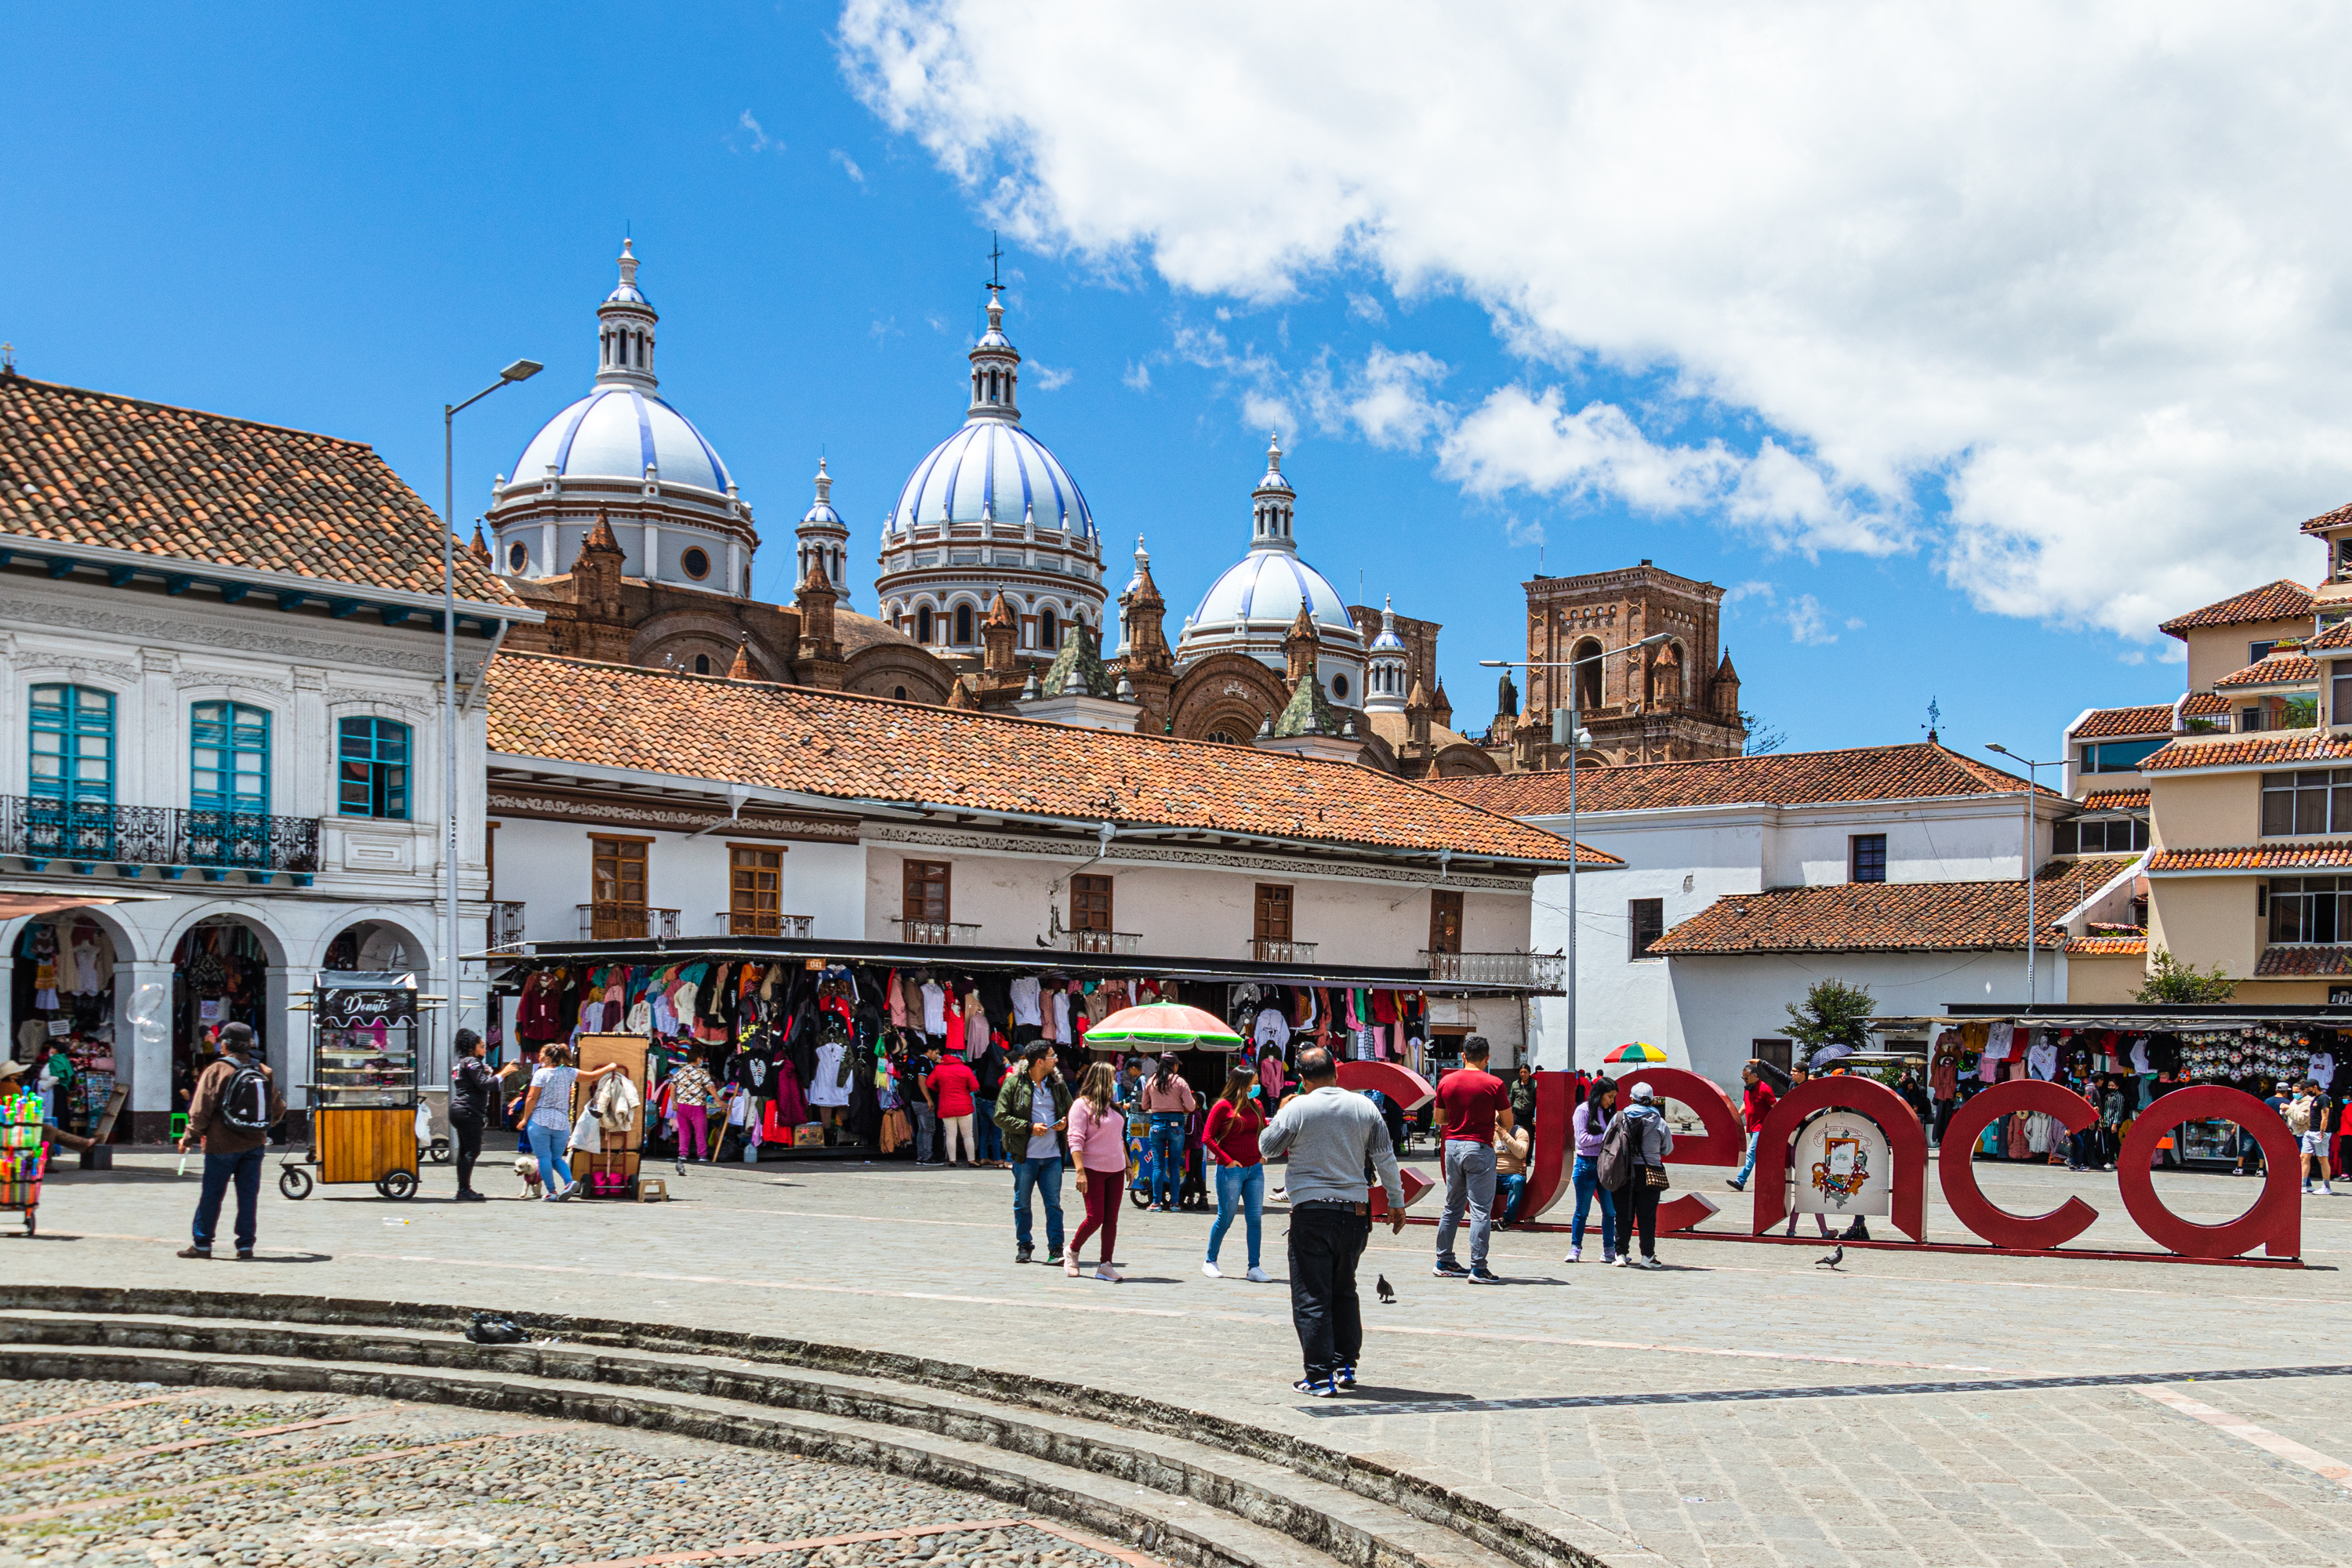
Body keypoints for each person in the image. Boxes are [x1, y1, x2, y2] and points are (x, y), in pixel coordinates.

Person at [1259, 1046, 1403, 1397]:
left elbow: (1268, 1147)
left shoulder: (1298, 1108)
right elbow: (1385, 1158)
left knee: (1312, 1295)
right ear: (1336, 1074)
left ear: (1303, 1079)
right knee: (1343, 1290)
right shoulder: (1365, 1107)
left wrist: (1282, 1112)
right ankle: (1346, 1365)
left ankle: (1319, 1377)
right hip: (1355, 1214)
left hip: (1313, 1213)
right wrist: (1397, 1203)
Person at [176, 1022, 284, 1259]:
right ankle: (245, 1246)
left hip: (221, 1145)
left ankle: (202, 1244)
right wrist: (262, 1127)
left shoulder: (216, 1070)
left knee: (212, 1195)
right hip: (254, 1145)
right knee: (248, 1197)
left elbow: (200, 1110)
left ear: (225, 1045)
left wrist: (188, 1138)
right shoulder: (263, 1070)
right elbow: (277, 1109)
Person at [1432, 1036, 1511, 1283]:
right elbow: (1507, 1123)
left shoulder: (1446, 1082)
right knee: (1480, 1210)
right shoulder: (1495, 1084)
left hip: (1453, 1146)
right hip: (1479, 1147)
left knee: (1452, 1206)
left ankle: (1444, 1261)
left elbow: (1439, 1119)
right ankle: (1478, 1268)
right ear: (1487, 1058)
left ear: (1463, 1056)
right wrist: (1492, 1119)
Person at [993, 1041, 1070, 1265]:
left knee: (1053, 1204)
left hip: (1053, 1156)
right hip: (1025, 1157)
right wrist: (1029, 1127)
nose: (1055, 1060)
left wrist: (1064, 1122)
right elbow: (1000, 1116)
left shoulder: (1057, 1084)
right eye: (1052, 1056)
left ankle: (1056, 1249)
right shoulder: (1015, 1083)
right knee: (1022, 1203)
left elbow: (1070, 1110)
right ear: (1039, 1061)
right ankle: (1024, 1246)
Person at [517, 1044, 622, 1203]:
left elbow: (531, 1097)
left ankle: (551, 1191)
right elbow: (593, 1076)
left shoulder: (541, 1074)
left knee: (544, 1157)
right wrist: (610, 1067)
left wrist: (525, 1119)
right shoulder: (569, 1073)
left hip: (540, 1120)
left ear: (547, 1057)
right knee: (557, 1158)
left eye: (540, 1054)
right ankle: (569, 1182)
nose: (538, 1057)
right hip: (561, 1122)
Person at [1203, 1062, 1270, 1281]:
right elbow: (1207, 1137)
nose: (1257, 1087)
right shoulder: (1223, 1106)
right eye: (1254, 1083)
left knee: (1255, 1219)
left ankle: (1254, 1267)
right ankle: (1210, 1260)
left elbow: (1263, 1132)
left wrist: (1263, 1154)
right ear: (1241, 1084)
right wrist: (1227, 1160)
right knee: (1226, 1218)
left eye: (1257, 1083)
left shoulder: (1257, 1104)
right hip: (1231, 1171)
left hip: (1255, 1170)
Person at [1065, 1062, 1127, 1282]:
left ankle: (1105, 1264)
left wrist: (1127, 1164)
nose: (1115, 1082)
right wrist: (1079, 1170)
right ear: (1102, 1080)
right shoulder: (1081, 1106)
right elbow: (1075, 1138)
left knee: (1111, 1219)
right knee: (1095, 1218)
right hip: (1092, 1168)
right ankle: (1072, 1251)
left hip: (1116, 1169)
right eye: (1112, 1078)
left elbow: (1119, 1138)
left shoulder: (1113, 1107)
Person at [1607, 1081, 1674, 1268]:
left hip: (1623, 1172)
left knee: (1622, 1214)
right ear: (1652, 1101)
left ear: (1631, 1099)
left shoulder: (1618, 1118)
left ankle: (1620, 1254)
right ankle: (1647, 1256)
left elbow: (1608, 1142)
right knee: (1647, 1216)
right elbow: (1667, 1149)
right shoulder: (1659, 1122)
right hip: (1650, 1173)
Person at [1566, 1076, 1617, 1263]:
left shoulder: (1608, 1112)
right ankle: (1575, 1248)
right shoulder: (1583, 1110)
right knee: (1582, 1210)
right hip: (1586, 1164)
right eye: (1609, 1096)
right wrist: (1606, 1137)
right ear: (1600, 1094)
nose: (1611, 1101)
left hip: (1606, 1165)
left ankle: (1609, 1250)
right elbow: (1582, 1140)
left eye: (1613, 1098)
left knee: (1610, 1211)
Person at [1139, 1052, 1197, 1211]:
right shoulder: (1179, 1082)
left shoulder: (1151, 1081)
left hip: (1156, 1125)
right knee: (1174, 1166)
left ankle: (1156, 1203)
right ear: (1174, 1066)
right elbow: (1191, 1107)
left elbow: (1144, 1106)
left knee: (1158, 1166)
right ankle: (1174, 1203)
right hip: (1175, 1126)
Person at [1780, 1061, 1831, 1239]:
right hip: (1803, 1153)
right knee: (1809, 1195)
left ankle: (1794, 1230)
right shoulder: (1808, 1112)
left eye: (1795, 1071)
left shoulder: (1814, 1110)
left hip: (1804, 1153)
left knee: (1807, 1196)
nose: (1792, 1073)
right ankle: (1822, 1231)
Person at [0, 1058, 95, 1153]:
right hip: (14, 1123)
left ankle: (85, 1144)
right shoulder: (12, 1088)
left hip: (12, 1121)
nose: (21, 1074)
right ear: (12, 1075)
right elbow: (19, 1107)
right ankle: (85, 1144)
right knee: (49, 1130)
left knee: (51, 1130)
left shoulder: (7, 1086)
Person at [446, 1029, 498, 1202]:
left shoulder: (461, 1062)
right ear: (472, 1047)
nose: (485, 1050)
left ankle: (464, 1189)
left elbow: (473, 1082)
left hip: (460, 1110)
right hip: (469, 1111)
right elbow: (484, 1084)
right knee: (472, 1151)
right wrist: (503, 1075)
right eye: (482, 1046)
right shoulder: (471, 1061)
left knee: (464, 1151)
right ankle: (463, 1189)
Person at [927, 1047, 983, 1168]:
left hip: (946, 1106)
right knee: (968, 1135)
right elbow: (975, 1086)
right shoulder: (965, 1069)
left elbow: (929, 1083)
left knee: (951, 1134)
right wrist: (965, 1090)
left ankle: (952, 1161)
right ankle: (972, 1161)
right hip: (964, 1106)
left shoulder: (938, 1069)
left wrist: (940, 1089)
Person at [1726, 1060, 1776, 1192]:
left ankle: (1740, 1181)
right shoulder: (1749, 1088)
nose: (1745, 1080)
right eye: (1743, 1078)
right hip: (1752, 1128)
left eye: (1746, 1077)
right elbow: (1745, 1104)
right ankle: (1770, 1181)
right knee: (1761, 1156)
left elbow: (1775, 1108)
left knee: (1751, 1154)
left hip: (1762, 1128)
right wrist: (1736, 1117)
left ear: (1755, 1076)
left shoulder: (1765, 1089)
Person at [668, 1048, 720, 1165]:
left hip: (682, 1106)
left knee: (684, 1130)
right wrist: (719, 1101)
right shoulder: (702, 1072)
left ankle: (683, 1154)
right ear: (698, 1059)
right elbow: (710, 1087)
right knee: (700, 1131)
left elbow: (672, 1087)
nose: (701, 1060)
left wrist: (674, 1103)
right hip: (697, 1106)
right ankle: (701, 1154)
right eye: (701, 1058)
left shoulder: (680, 1071)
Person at [2298, 1080, 2337, 1195]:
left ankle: (2326, 1187)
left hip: (2320, 1133)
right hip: (2310, 1132)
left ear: (2315, 1087)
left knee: (2322, 1159)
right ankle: (2304, 1185)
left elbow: (2325, 1117)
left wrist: (2322, 1132)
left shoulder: (2324, 1098)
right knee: (2303, 1157)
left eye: (2308, 1089)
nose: (2307, 1091)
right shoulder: (2315, 1099)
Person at [1494, 1113, 1531, 1228]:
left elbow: (1521, 1153)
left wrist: (1505, 1135)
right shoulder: (1492, 1133)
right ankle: (1481, 1216)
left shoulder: (1520, 1133)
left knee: (1517, 1181)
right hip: (1493, 1175)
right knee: (1475, 1178)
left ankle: (1507, 1219)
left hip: (1512, 1176)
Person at [908, 1044, 941, 1166]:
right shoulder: (924, 1062)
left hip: (917, 1101)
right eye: (936, 1053)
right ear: (929, 1051)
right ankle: (927, 1156)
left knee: (922, 1129)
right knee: (929, 1129)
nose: (937, 1056)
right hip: (922, 1101)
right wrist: (929, 1099)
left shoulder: (921, 1062)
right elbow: (922, 1081)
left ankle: (921, 1156)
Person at [1508, 1064, 1538, 1133]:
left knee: (1528, 1137)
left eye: (1525, 1072)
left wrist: (1535, 1117)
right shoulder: (1515, 1084)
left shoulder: (1535, 1085)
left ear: (1529, 1073)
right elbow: (1511, 1099)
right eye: (1521, 1072)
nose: (1523, 1074)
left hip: (1529, 1116)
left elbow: (1537, 1102)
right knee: (1516, 1136)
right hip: (1517, 1116)